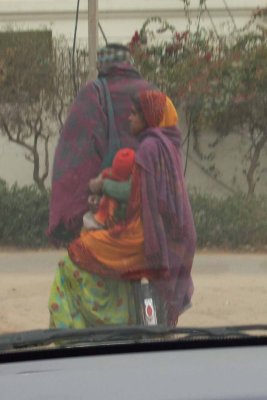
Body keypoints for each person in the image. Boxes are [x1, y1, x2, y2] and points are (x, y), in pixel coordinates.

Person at [48, 90, 196, 328]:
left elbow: (136, 193)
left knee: (76, 253)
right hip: (163, 239)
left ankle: (86, 325)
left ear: (149, 117)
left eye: (135, 113)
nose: (129, 118)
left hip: (142, 239)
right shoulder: (168, 145)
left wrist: (103, 185)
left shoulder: (149, 147)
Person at [47, 43, 154, 244]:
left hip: (108, 207)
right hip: (149, 205)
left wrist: (72, 212)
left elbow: (75, 154)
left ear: (102, 66)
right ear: (128, 63)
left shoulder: (93, 94)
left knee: (105, 265)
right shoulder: (152, 93)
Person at [83, 147, 135, 234]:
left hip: (126, 226)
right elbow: (93, 185)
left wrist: (104, 184)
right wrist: (95, 198)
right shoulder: (108, 174)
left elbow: (126, 192)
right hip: (106, 222)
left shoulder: (136, 184)